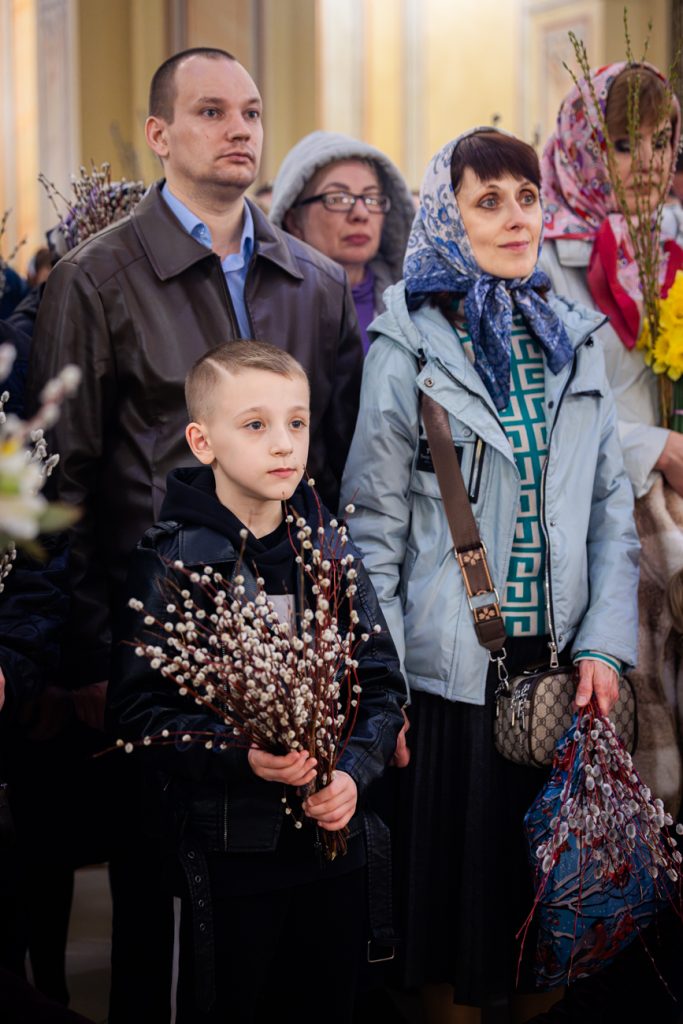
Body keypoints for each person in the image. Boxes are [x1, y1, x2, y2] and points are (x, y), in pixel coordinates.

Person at [27, 49, 362, 1021]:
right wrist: (89, 655)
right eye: (210, 111)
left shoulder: (314, 281)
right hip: (157, 643)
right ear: (159, 134)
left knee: (287, 917)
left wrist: (339, 645)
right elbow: (60, 483)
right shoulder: (96, 279)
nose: (239, 129)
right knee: (169, 928)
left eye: (250, 111)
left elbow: (333, 471)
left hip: (291, 639)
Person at [340, 128, 639, 1023]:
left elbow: (609, 514)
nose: (515, 219)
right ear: (447, 215)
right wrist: (384, 687)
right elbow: (372, 531)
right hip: (452, 688)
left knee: (552, 927)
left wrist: (604, 648)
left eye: (526, 198)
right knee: (451, 939)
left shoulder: (573, 339)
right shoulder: (407, 345)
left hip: (563, 679)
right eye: (488, 201)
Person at [106, 340, 405, 1023]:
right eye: (255, 424)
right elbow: (136, 715)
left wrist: (352, 773)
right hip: (230, 856)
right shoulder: (172, 562)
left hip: (333, 849)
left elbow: (382, 686)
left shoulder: (329, 550)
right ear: (202, 441)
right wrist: (242, 756)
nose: (283, 444)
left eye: (296, 422)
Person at [540, 63, 683, 813]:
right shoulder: (541, 256)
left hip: (673, 505)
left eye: (663, 140)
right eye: (624, 144)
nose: (649, 162)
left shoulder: (672, 241)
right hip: (601, 519)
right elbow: (548, 405)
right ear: (581, 150)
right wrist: (657, 447)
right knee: (634, 725)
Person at [270, 130, 415, 353]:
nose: (361, 213)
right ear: (293, 221)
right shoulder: (267, 312)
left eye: (371, 199)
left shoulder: (415, 307)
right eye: (338, 198)